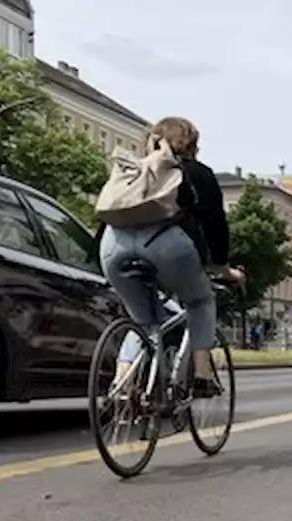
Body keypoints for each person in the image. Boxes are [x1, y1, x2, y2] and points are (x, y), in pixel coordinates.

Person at [99, 116, 244, 399]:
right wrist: (224, 269)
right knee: (200, 301)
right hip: (166, 245)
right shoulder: (197, 172)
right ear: (191, 145)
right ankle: (202, 375)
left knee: (143, 321)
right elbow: (216, 227)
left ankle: (120, 387)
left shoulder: (131, 170)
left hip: (112, 246)